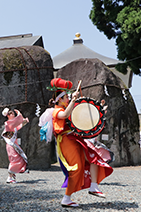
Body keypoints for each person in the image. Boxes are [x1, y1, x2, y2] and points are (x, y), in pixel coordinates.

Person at [48, 78, 113, 208]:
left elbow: (80, 116)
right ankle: (66, 198)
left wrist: (96, 109)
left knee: (93, 158)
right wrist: (73, 100)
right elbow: (65, 115)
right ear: (60, 99)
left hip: (75, 139)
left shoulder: (67, 107)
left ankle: (94, 186)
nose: (68, 98)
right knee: (76, 168)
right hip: (66, 141)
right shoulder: (56, 111)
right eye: (66, 96)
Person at [1, 108, 29, 183]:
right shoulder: (8, 123)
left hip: (14, 144)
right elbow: (18, 121)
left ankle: (12, 175)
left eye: (13, 113)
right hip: (11, 145)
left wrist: (21, 116)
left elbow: (21, 123)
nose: (13, 115)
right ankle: (9, 177)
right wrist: (19, 114)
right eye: (11, 114)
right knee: (15, 160)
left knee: (20, 158)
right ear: (8, 115)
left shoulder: (13, 124)